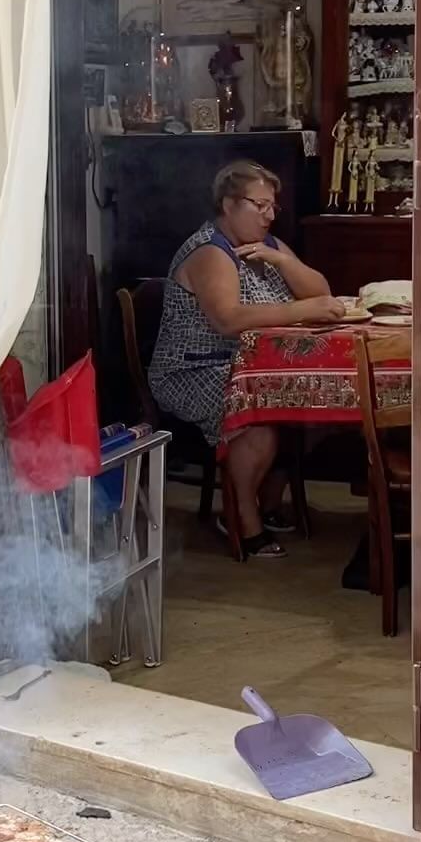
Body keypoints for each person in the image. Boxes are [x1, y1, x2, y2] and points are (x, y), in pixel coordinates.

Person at [149, 159, 344, 557]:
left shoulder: (266, 245)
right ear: (228, 204)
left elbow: (321, 291)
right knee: (259, 416)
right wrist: (299, 311)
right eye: (260, 205)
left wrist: (285, 261)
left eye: (273, 206)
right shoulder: (210, 251)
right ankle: (242, 517)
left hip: (252, 368)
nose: (269, 215)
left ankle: (268, 501)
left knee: (319, 403)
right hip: (196, 369)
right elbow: (228, 319)